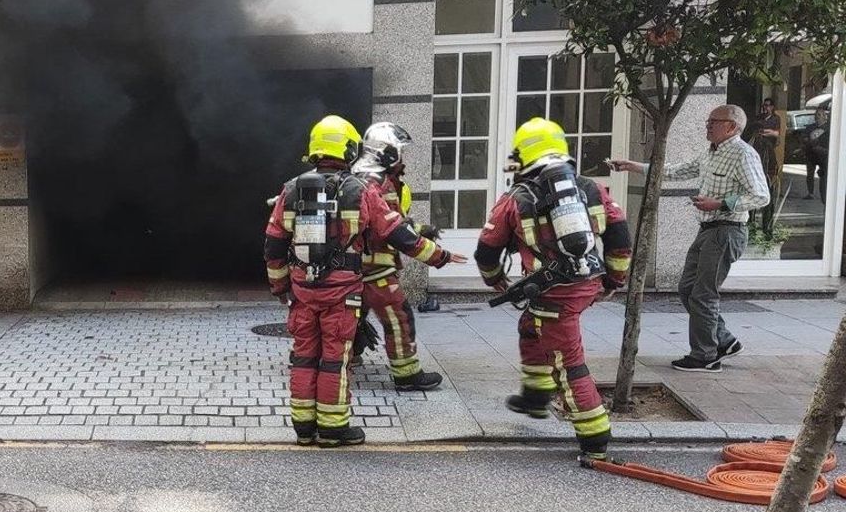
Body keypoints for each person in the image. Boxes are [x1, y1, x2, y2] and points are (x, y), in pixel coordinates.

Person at [264, 115, 463, 448]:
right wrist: (440, 256)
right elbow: (398, 234)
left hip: (303, 291)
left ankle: (303, 429)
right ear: (349, 149)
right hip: (341, 293)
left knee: (304, 356)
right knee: (334, 359)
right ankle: (332, 429)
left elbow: (273, 245)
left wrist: (281, 287)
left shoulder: (291, 189)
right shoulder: (361, 190)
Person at [478, 118, 632, 463]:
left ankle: (594, 437)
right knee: (529, 326)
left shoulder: (515, 198)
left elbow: (486, 250)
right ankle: (536, 395)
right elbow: (621, 238)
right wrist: (613, 281)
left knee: (568, 362)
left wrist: (494, 279)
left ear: (523, 154)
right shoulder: (591, 188)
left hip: (552, 292)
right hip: (585, 282)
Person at [609, 104, 769, 372]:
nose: (707, 125)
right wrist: (633, 166)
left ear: (732, 127)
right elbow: (678, 170)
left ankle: (705, 356)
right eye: (707, 120)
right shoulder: (712, 151)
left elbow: (761, 196)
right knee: (687, 289)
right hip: (707, 230)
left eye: (713, 121)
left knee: (703, 294)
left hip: (726, 231)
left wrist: (720, 203)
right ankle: (724, 340)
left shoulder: (743, 154)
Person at [350, 122, 443, 392]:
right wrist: (439, 256)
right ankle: (407, 374)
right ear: (387, 152)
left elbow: (392, 220)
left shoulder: (366, 177)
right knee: (399, 318)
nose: (403, 157)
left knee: (353, 318)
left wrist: (420, 229)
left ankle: (346, 357)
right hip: (376, 269)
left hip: (358, 268)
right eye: (399, 151)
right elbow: (388, 227)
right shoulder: (375, 182)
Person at [745, 97, 784, 235]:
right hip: (757, 164)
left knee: (768, 195)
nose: (765, 107)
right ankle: (751, 224)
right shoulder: (758, 119)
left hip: (767, 164)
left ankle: (767, 228)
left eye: (768, 105)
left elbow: (776, 133)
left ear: (772, 107)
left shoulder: (775, 119)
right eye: (764, 105)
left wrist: (766, 132)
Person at [805, 107, 830, 199]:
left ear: (824, 117)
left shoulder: (829, 128)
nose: (817, 117)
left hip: (823, 155)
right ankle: (810, 193)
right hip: (811, 154)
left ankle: (824, 194)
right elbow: (804, 138)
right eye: (816, 115)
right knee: (810, 174)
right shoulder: (810, 127)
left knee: (823, 174)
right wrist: (809, 141)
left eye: (819, 115)